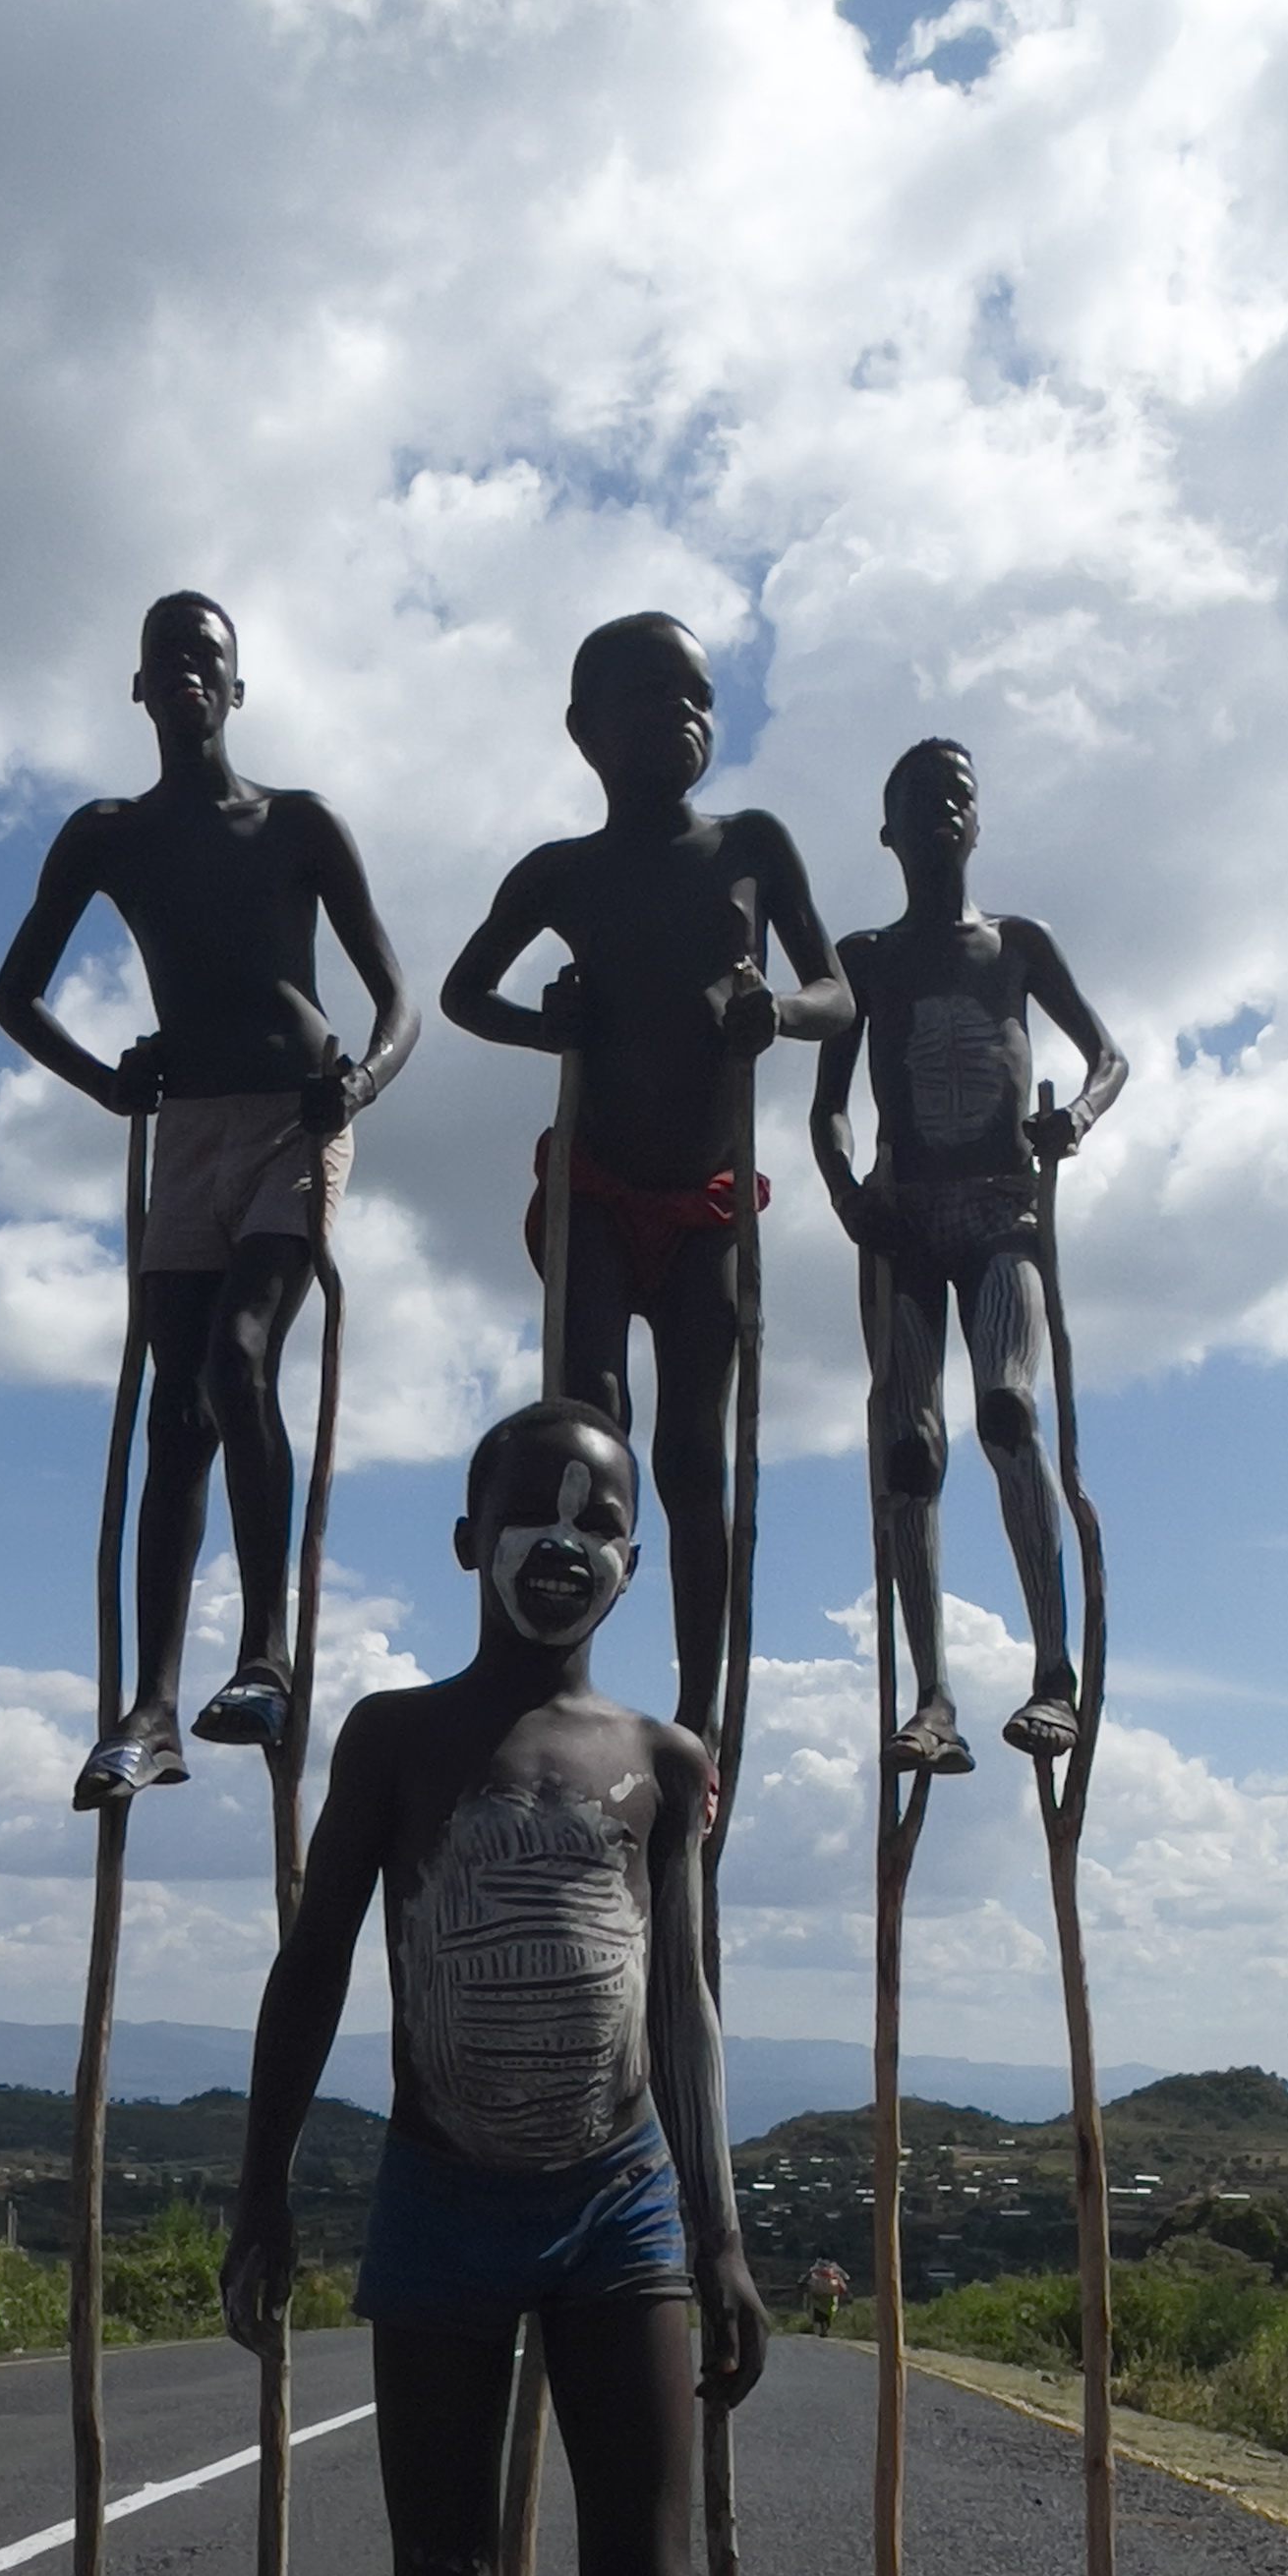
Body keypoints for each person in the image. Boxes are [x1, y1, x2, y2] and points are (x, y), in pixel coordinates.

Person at [223, 1401, 768, 2576]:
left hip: (621, 2207)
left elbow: (681, 2003)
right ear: (466, 1542)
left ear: (635, 1559)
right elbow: (314, 1966)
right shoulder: (396, 1737)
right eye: (528, 1510)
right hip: (441, 2203)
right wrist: (258, 2190)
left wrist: (722, 2229)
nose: (563, 1540)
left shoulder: (662, 1759)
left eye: (598, 1516)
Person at [0, 593, 415, 1803]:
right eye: (165, 657)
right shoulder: (107, 835)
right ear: (138, 689)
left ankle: (266, 1658)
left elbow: (398, 1000)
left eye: (207, 658)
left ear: (237, 689)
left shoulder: (297, 823)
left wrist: (361, 1085)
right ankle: (152, 1710)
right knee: (173, 1412)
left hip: (295, 1120)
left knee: (240, 1357)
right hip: (185, 1134)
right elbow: (16, 994)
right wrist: (107, 1085)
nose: (186, 672)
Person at [439, 614, 849, 1744]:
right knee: (590, 1430)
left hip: (707, 1203)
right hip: (597, 1192)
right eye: (649, 697)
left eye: (698, 697)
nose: (682, 715)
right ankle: (550, 1680)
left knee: (691, 1458)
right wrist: (547, 1026)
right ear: (585, 732)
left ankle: (697, 1715)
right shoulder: (562, 872)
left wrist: (778, 1011)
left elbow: (837, 994)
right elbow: (465, 993)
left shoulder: (750, 847)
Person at [810, 738, 1125, 1774]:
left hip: (999, 1212)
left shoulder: (1016, 945)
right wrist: (846, 1195)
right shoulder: (865, 960)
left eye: (960, 795)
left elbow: (1107, 1055)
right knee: (909, 1451)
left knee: (1009, 1413)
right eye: (920, 798)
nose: (944, 810)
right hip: (903, 1220)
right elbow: (829, 1108)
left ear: (979, 822)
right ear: (888, 831)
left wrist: (1077, 1116)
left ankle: (1053, 1676)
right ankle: (932, 1696)